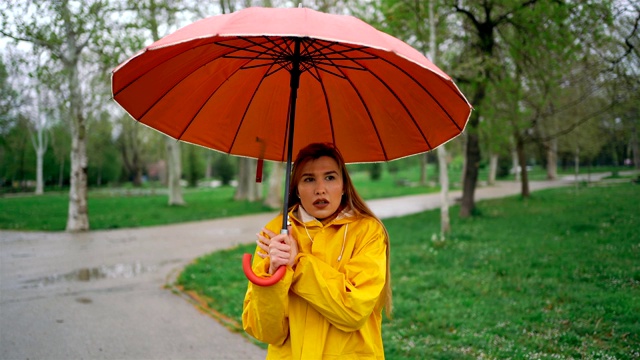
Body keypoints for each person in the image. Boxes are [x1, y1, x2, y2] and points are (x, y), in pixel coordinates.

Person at [242, 142, 392, 359]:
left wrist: (298, 264)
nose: (320, 189)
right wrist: (273, 275)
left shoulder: (367, 232)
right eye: (309, 179)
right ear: (296, 189)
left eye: (330, 177)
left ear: (343, 187)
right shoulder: (276, 234)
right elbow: (265, 331)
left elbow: (353, 311)